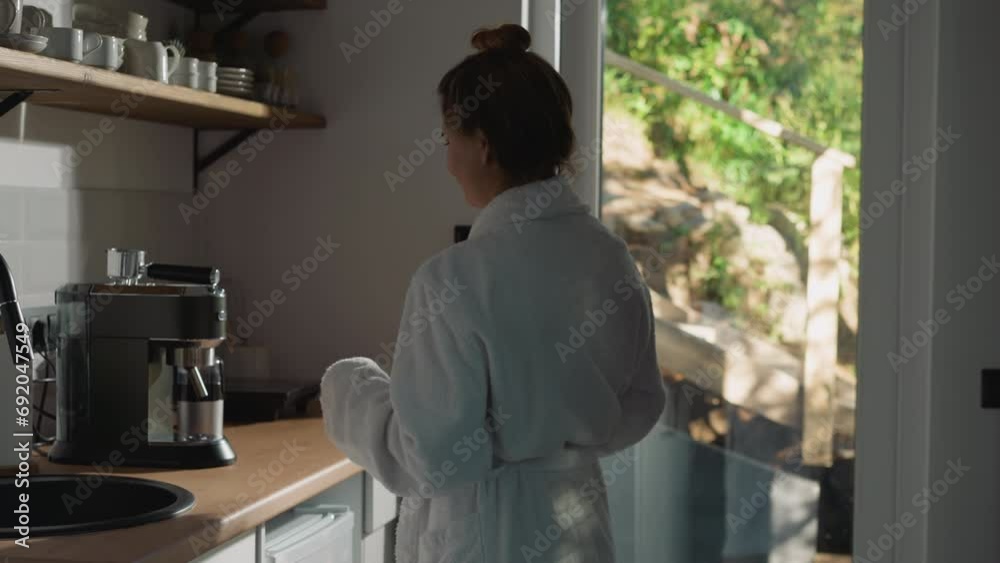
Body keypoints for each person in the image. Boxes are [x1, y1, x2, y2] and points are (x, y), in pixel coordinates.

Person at [321, 23, 665, 563]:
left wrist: (347, 388)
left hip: (486, 535)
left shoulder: (454, 279)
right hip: (579, 527)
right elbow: (643, 403)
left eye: (448, 141)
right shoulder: (611, 259)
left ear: (483, 145)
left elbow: (431, 458)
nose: (447, 161)